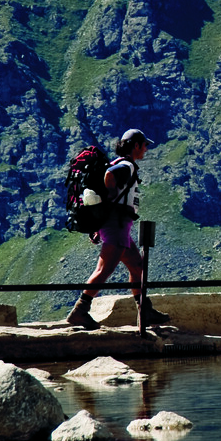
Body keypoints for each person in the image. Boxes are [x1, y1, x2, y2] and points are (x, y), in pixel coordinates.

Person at [65, 129, 167, 329]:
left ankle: (145, 311)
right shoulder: (126, 165)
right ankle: (79, 311)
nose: (146, 149)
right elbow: (109, 176)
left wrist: (103, 213)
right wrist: (110, 204)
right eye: (144, 145)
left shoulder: (120, 163)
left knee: (138, 267)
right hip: (117, 224)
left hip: (119, 225)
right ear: (136, 145)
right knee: (104, 269)